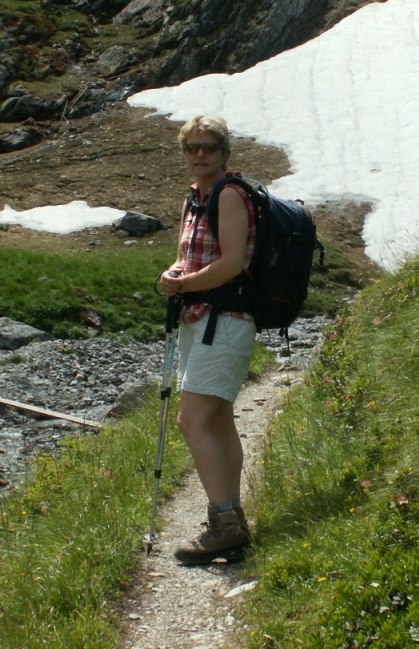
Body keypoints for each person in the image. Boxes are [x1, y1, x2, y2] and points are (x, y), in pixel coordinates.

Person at [159, 114, 257, 564]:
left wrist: (186, 284)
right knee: (218, 420)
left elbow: (233, 263)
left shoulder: (231, 196)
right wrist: (173, 275)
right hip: (199, 319)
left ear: (225, 153)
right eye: (191, 147)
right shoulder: (194, 199)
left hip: (228, 319)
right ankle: (232, 515)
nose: (199, 155)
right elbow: (187, 256)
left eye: (209, 147)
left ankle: (224, 525)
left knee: (191, 421)